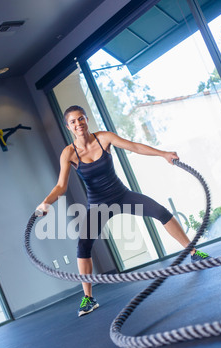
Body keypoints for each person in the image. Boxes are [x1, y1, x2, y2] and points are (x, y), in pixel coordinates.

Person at [36, 105, 210, 317]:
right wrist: (46, 202)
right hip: (98, 205)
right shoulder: (69, 153)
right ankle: (88, 298)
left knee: (161, 212)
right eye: (73, 121)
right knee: (83, 245)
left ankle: (194, 253)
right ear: (68, 127)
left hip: (122, 196)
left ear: (86, 120)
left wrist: (163, 154)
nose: (78, 124)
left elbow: (134, 147)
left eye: (81, 119)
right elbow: (61, 186)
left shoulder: (104, 138)